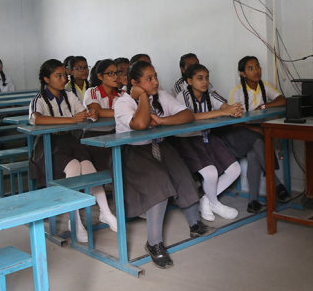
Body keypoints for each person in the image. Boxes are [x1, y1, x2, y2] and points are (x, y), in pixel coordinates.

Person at [113, 60, 216, 268]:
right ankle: (154, 243)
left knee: (183, 176)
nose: (155, 82)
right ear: (135, 83)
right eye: (148, 79)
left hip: (160, 146)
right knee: (158, 184)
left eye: (155, 76)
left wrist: (162, 121)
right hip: (133, 152)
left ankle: (195, 224)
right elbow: (140, 124)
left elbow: (187, 115)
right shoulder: (122, 102)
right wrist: (142, 96)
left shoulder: (160, 95)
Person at [28, 59, 118, 243]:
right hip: (48, 145)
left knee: (88, 165)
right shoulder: (39, 99)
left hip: (70, 141)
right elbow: (37, 119)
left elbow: (81, 112)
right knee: (73, 167)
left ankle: (105, 212)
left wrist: (89, 115)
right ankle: (74, 219)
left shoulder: (69, 96)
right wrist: (70, 119)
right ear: (46, 79)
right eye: (58, 76)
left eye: (64, 75)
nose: (63, 79)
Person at [175, 63, 244, 221]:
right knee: (211, 173)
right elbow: (190, 116)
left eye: (206, 78)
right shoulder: (183, 96)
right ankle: (215, 203)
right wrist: (223, 111)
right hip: (187, 139)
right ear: (189, 81)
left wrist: (233, 110)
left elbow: (226, 106)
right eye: (200, 78)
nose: (204, 82)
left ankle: (207, 200)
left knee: (235, 169)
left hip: (206, 136)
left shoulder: (209, 94)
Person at [223, 55, 291, 213]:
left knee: (254, 154)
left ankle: (252, 202)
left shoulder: (264, 86)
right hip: (238, 132)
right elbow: (234, 120)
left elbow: (283, 100)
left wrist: (264, 105)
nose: (256, 71)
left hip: (255, 134)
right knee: (259, 140)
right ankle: (277, 185)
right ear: (243, 74)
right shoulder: (237, 91)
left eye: (257, 66)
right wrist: (257, 129)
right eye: (250, 68)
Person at [83, 59, 123, 171]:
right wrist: (124, 113)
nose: (115, 76)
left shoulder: (122, 94)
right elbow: (98, 111)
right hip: (95, 135)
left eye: (117, 73)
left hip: (116, 133)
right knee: (103, 163)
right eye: (110, 73)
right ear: (100, 76)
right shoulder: (92, 92)